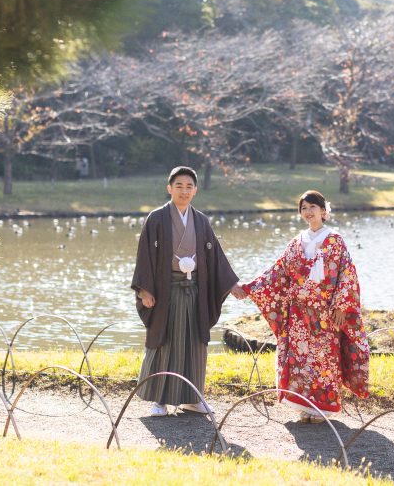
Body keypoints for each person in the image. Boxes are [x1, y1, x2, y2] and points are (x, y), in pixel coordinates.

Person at [240, 190, 369, 423]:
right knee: (300, 359)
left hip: (325, 311)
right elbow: (278, 272)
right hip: (298, 313)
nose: (308, 212)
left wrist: (341, 306)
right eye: (304, 208)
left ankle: (324, 406)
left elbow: (347, 273)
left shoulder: (334, 239)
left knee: (324, 358)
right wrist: (251, 287)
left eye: (313, 207)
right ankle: (304, 405)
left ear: (323, 211)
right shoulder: (296, 242)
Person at [131, 166, 245, 416]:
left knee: (195, 344)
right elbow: (145, 258)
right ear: (169, 188)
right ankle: (159, 400)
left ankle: (193, 398)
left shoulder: (201, 220)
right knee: (165, 343)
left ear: (196, 190)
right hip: (165, 290)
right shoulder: (157, 218)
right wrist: (144, 290)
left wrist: (232, 283)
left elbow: (216, 257)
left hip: (194, 291)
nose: (184, 191)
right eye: (179, 186)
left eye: (189, 186)